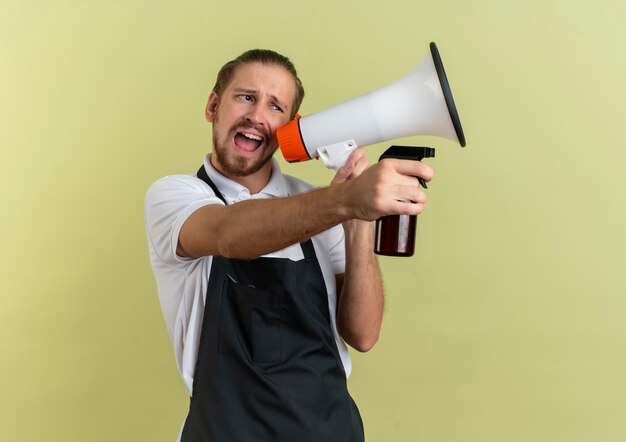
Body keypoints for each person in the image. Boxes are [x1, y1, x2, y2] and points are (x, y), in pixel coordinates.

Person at [145, 49, 434, 442]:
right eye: (246, 97)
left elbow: (363, 334)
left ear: (288, 127)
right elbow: (228, 234)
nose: (257, 115)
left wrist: (359, 223)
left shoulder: (322, 206)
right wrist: (344, 202)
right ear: (214, 105)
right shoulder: (175, 196)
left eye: (275, 106)